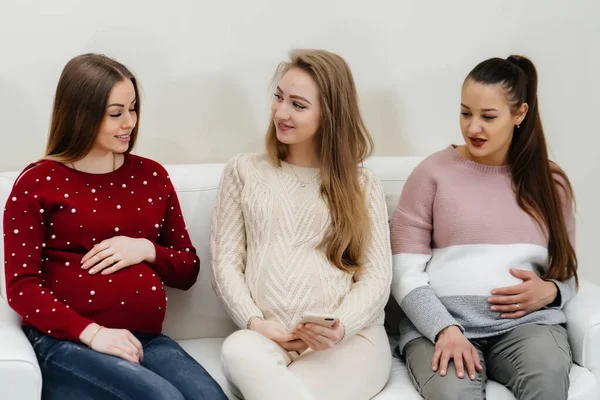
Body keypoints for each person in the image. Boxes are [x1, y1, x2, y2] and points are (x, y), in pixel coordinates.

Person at [3, 53, 227, 400]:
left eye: (133, 109)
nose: (129, 123)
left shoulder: (152, 176)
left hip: (145, 338)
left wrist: (146, 249)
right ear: (81, 114)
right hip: (67, 341)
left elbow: (187, 270)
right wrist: (92, 333)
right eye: (116, 113)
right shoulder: (37, 183)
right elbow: (22, 288)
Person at [390, 55, 577, 400]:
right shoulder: (431, 174)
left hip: (527, 327)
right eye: (466, 113)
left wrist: (552, 292)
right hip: (441, 328)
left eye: (488, 117)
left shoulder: (551, 183)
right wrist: (444, 329)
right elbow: (403, 272)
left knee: (547, 382)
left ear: (519, 114)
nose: (473, 128)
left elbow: (566, 271)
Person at [211, 49, 393, 400]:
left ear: (330, 115)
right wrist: (255, 322)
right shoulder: (244, 171)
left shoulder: (361, 183)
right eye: (279, 97)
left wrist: (339, 328)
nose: (281, 112)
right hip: (267, 338)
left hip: (348, 341)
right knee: (237, 349)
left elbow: (376, 278)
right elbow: (226, 266)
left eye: (298, 104)